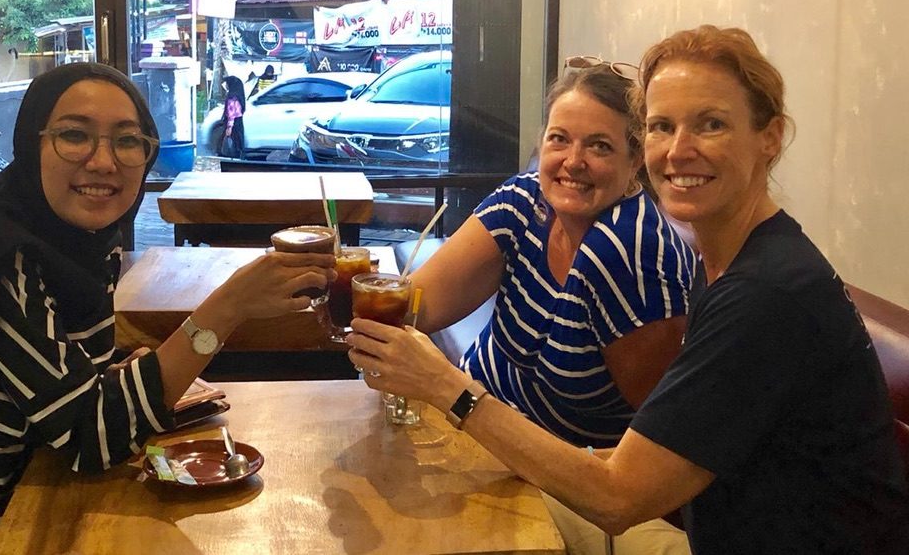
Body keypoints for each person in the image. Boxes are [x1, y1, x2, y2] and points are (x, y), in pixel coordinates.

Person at [349, 27, 909, 554]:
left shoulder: (766, 295)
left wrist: (450, 390)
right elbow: (660, 451)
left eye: (711, 124)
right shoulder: (732, 261)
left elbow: (618, 499)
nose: (678, 150)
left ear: (771, 137)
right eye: (663, 127)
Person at [0, 63, 334, 552]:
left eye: (126, 141)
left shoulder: (85, 243)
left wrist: (127, 372)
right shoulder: (0, 257)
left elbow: (64, 392)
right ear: (31, 146)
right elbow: (88, 437)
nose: (103, 162)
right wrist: (226, 308)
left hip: (15, 493)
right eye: (74, 135)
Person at [384, 59, 699, 553]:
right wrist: (350, 284)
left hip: (558, 479)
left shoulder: (628, 251)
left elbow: (666, 447)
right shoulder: (526, 203)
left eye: (599, 145)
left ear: (635, 161)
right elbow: (414, 308)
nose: (573, 161)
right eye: (559, 139)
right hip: (474, 440)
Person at [217, 75, 246, 157]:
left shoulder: (232, 97)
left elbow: (231, 113)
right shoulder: (239, 96)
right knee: (238, 143)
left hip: (232, 124)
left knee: (229, 144)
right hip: (239, 122)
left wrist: (229, 127)